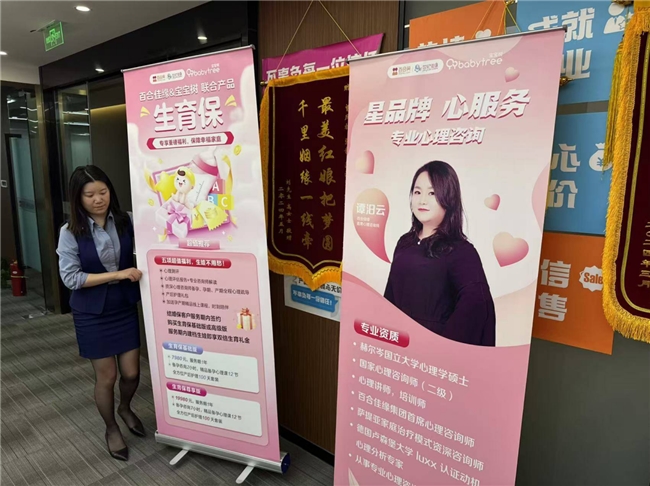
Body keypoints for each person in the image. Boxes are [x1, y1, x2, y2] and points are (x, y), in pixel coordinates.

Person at [57, 166, 144, 461]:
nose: (98, 199)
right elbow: (71, 278)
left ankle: (125, 407)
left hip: (123, 306)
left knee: (132, 373)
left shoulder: (127, 220)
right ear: (78, 198)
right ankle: (111, 428)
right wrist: (117, 275)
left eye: (103, 192)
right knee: (107, 377)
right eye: (90, 194)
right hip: (92, 313)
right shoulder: (70, 233)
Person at [384, 161, 496, 346]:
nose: (422, 200)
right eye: (417, 192)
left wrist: (440, 345)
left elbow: (477, 304)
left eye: (432, 193)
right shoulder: (405, 242)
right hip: (399, 344)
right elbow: (390, 298)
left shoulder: (461, 251)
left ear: (448, 198)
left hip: (430, 350)